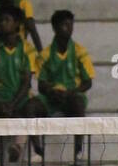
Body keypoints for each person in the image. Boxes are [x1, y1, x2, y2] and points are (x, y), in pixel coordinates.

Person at [0, 4, 48, 161]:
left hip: (19, 97)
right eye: (1, 21)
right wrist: (0, 105)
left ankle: (18, 147)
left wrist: (12, 105)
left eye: (7, 20)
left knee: (27, 110)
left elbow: (26, 82)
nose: (2, 23)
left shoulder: (27, 50)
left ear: (17, 24)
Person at [36, 10, 94, 156]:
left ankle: (78, 149)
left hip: (71, 95)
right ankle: (37, 148)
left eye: (71, 24)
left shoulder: (80, 51)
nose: (69, 28)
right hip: (51, 97)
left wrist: (71, 92)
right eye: (64, 25)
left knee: (78, 104)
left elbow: (87, 82)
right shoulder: (45, 54)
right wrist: (50, 91)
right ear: (55, 27)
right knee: (31, 106)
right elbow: (41, 84)